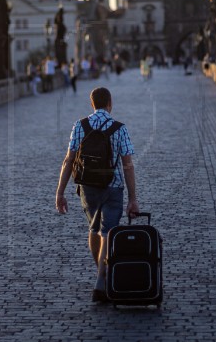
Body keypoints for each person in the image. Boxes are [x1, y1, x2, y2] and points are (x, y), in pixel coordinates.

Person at [55, 87, 138, 303]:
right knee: (107, 232)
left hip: (88, 187)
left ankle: (101, 273)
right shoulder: (120, 128)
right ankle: (101, 281)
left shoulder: (79, 126)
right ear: (110, 103)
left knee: (93, 228)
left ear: (91, 104)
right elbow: (128, 165)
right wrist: (133, 198)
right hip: (113, 186)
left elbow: (69, 160)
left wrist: (60, 192)